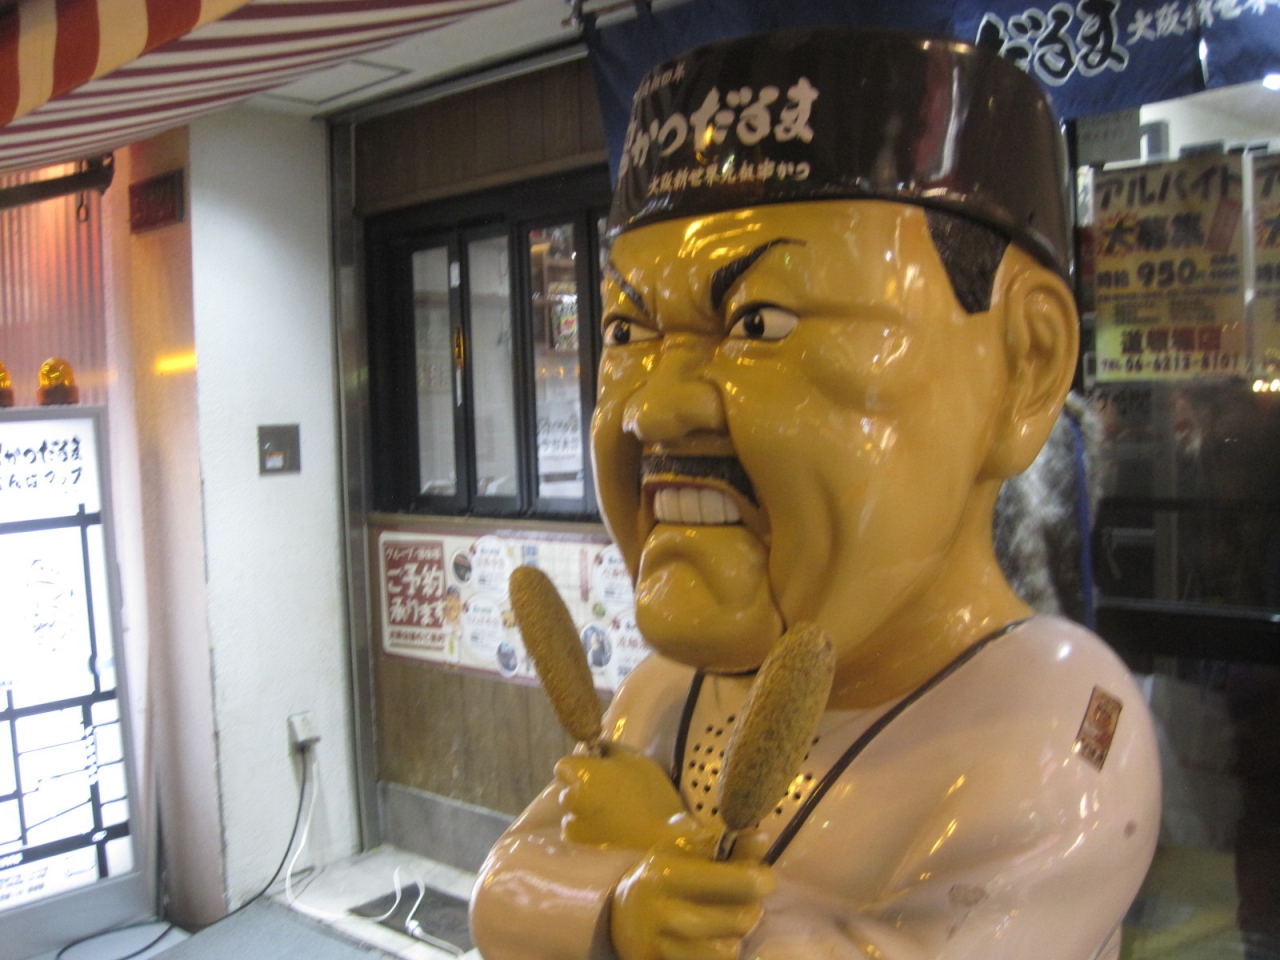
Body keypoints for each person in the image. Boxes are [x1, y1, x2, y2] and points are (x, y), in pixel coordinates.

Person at [470, 28, 1160, 960]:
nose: (653, 408)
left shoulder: (1059, 726)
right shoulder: (669, 692)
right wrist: (618, 907)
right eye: (629, 331)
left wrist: (654, 849)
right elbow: (503, 894)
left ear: (1024, 365)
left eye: (760, 323)